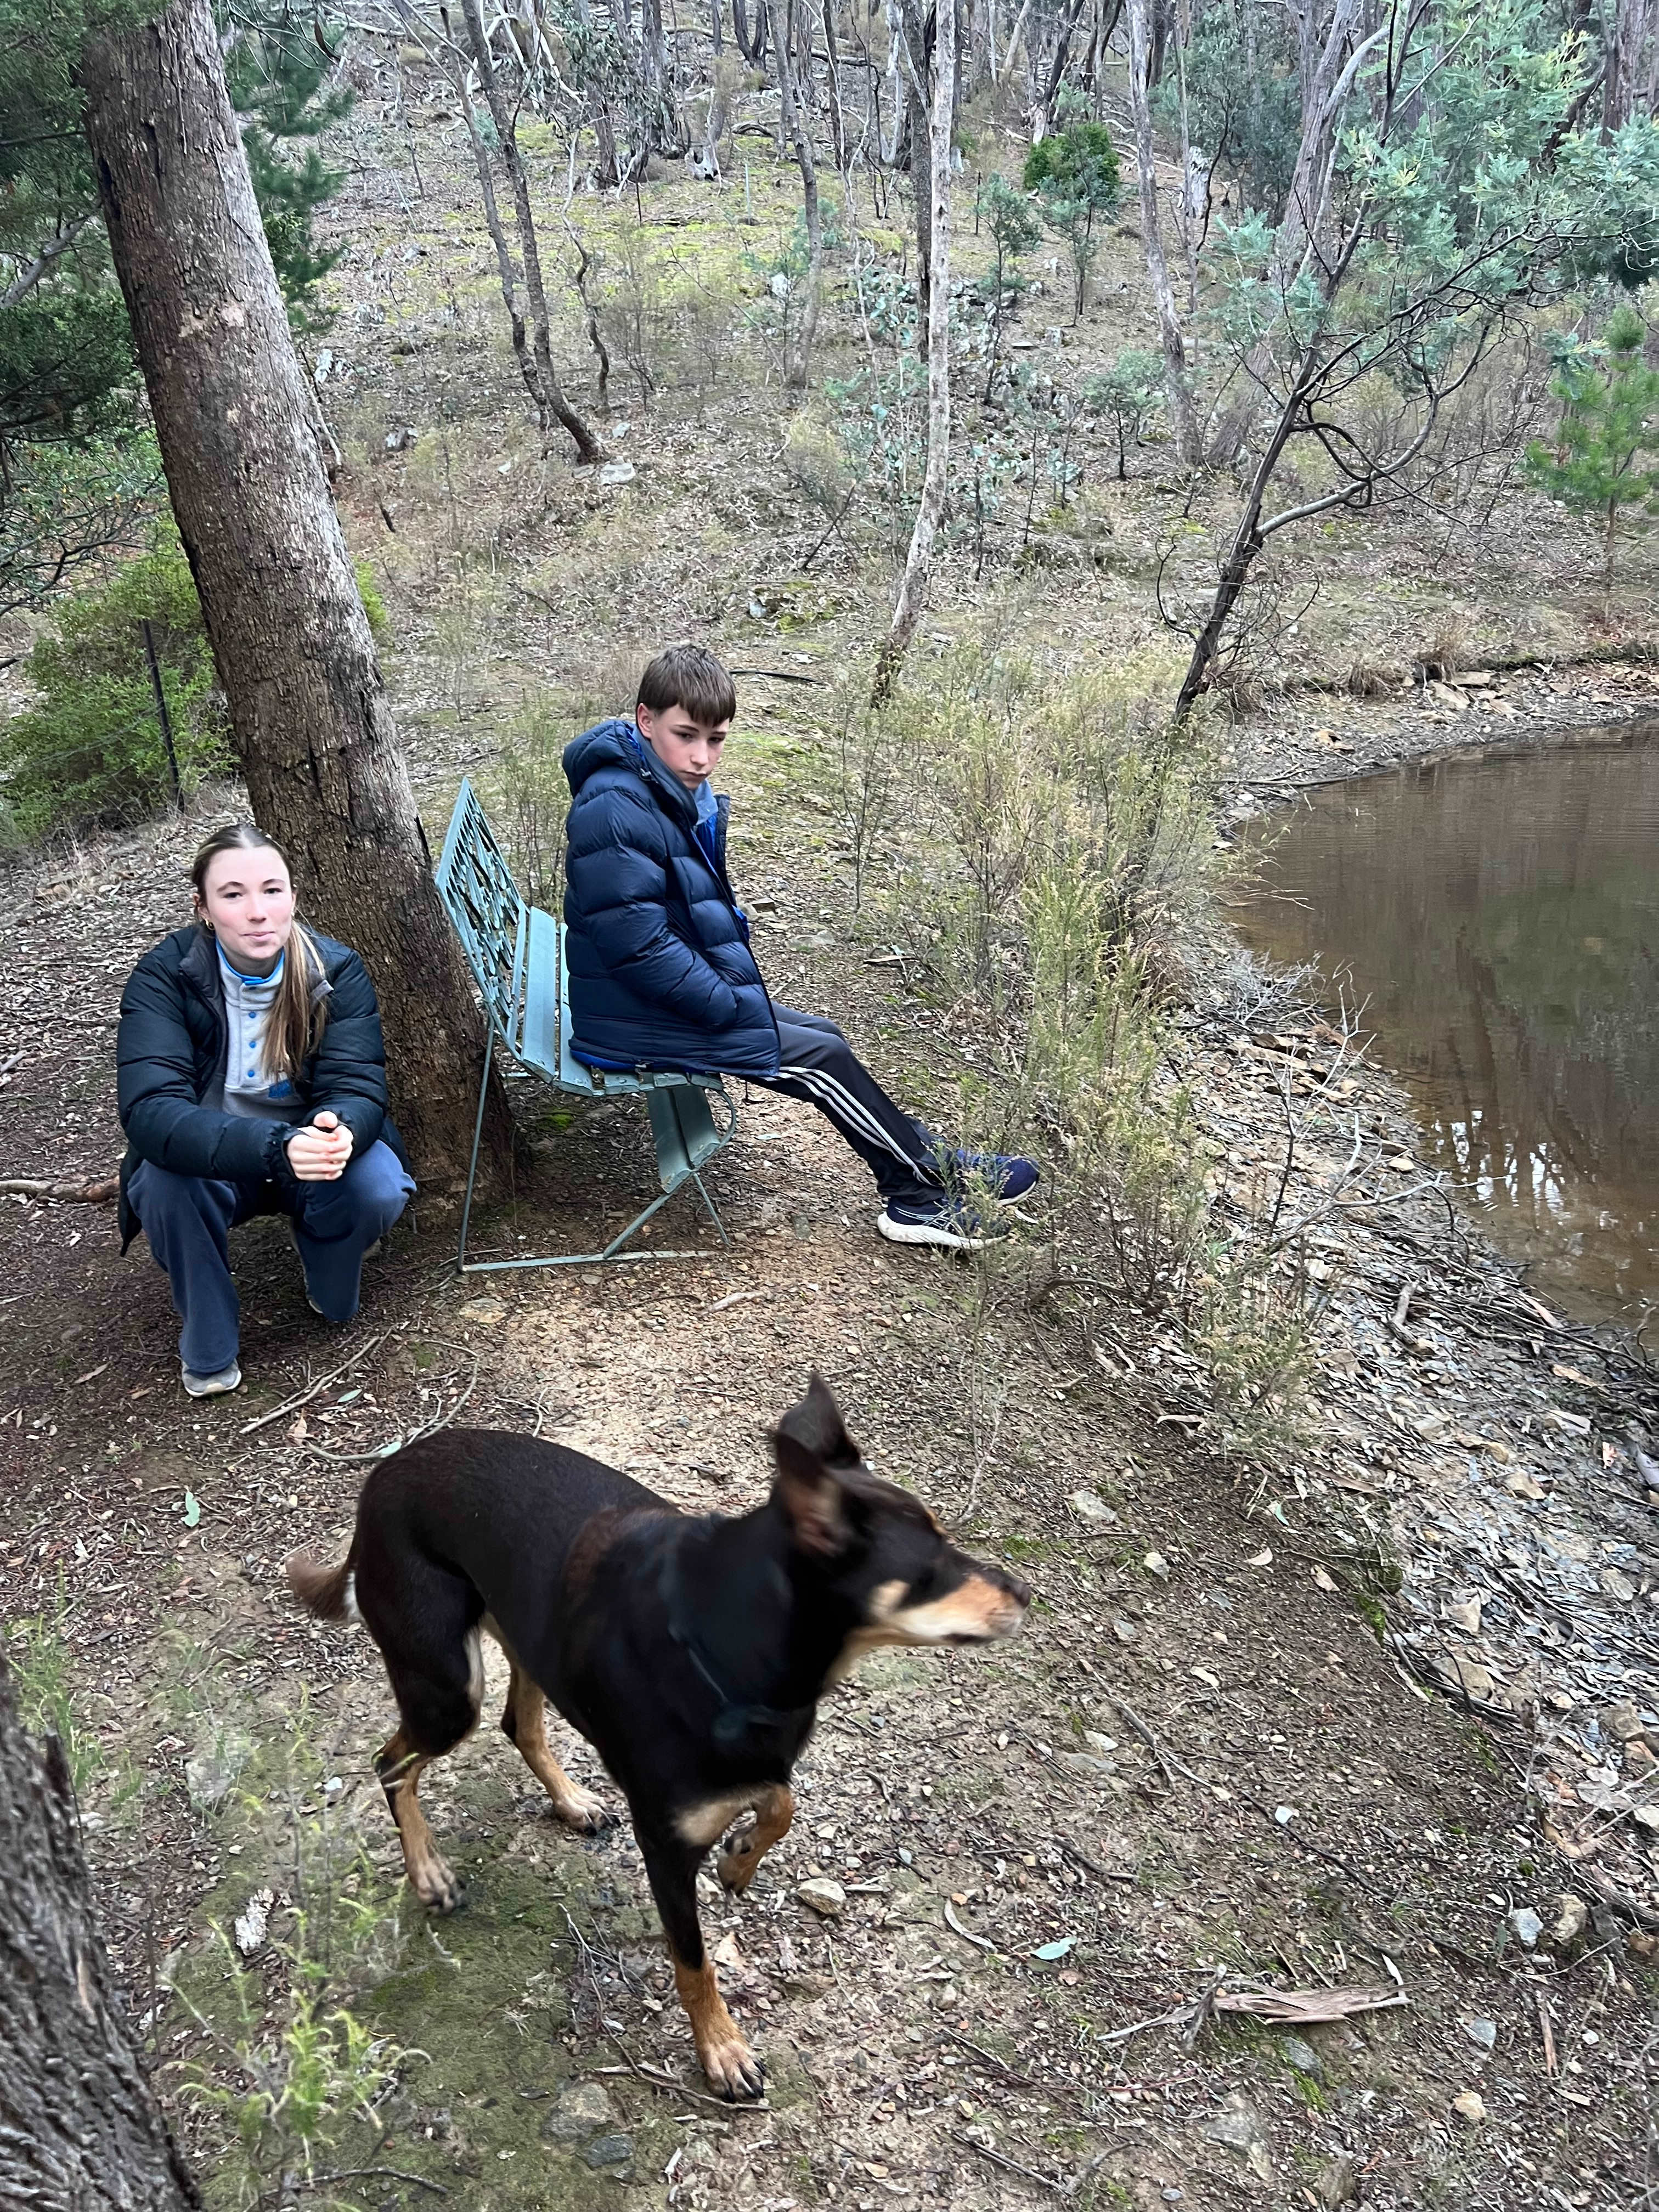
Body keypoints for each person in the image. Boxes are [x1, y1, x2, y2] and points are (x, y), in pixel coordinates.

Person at [561, 645, 1037, 1250]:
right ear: (645, 720)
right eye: (687, 735)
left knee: (825, 1035)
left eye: (717, 739)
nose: (703, 757)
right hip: (631, 1022)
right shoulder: (615, 804)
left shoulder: (650, 782)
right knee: (816, 1059)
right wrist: (725, 1004)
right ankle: (915, 1199)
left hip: (646, 1004)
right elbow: (637, 945)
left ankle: (936, 1162)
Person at [116, 823, 415, 1397]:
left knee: (376, 1182)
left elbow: (358, 1086)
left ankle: (328, 1267)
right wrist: (276, 1148)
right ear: (203, 908)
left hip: (308, 1155)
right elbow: (151, 1111)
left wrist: (340, 1131)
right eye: (233, 894)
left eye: (272, 890)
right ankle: (209, 1337)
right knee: (163, 1184)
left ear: (294, 898)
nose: (258, 912)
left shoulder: (335, 969)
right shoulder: (165, 976)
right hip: (217, 1158)